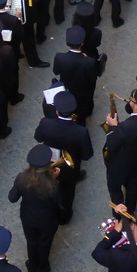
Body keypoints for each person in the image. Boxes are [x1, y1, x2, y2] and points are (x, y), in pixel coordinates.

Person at [33, 90, 93, 223]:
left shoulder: (45, 123)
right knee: (68, 191)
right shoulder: (81, 132)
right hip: (70, 167)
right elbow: (87, 155)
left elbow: (38, 138)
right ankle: (64, 216)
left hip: (50, 161)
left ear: (57, 111)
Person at [8, 145, 66, 272]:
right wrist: (55, 178)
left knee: (31, 241)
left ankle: (32, 265)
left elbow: (12, 198)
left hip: (28, 217)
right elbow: (59, 204)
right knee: (45, 243)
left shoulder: (21, 178)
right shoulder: (53, 185)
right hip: (48, 220)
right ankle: (42, 268)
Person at [101, 87, 137, 215]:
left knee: (115, 189)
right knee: (132, 187)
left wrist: (113, 127)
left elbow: (111, 145)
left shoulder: (125, 127)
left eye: (131, 99)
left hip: (119, 165)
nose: (129, 100)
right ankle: (130, 210)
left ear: (136, 106)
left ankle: (119, 214)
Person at [53, 25, 99, 125]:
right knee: (82, 112)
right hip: (83, 92)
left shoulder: (59, 57)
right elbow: (92, 79)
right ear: (82, 43)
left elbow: (56, 72)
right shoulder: (89, 62)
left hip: (67, 89)